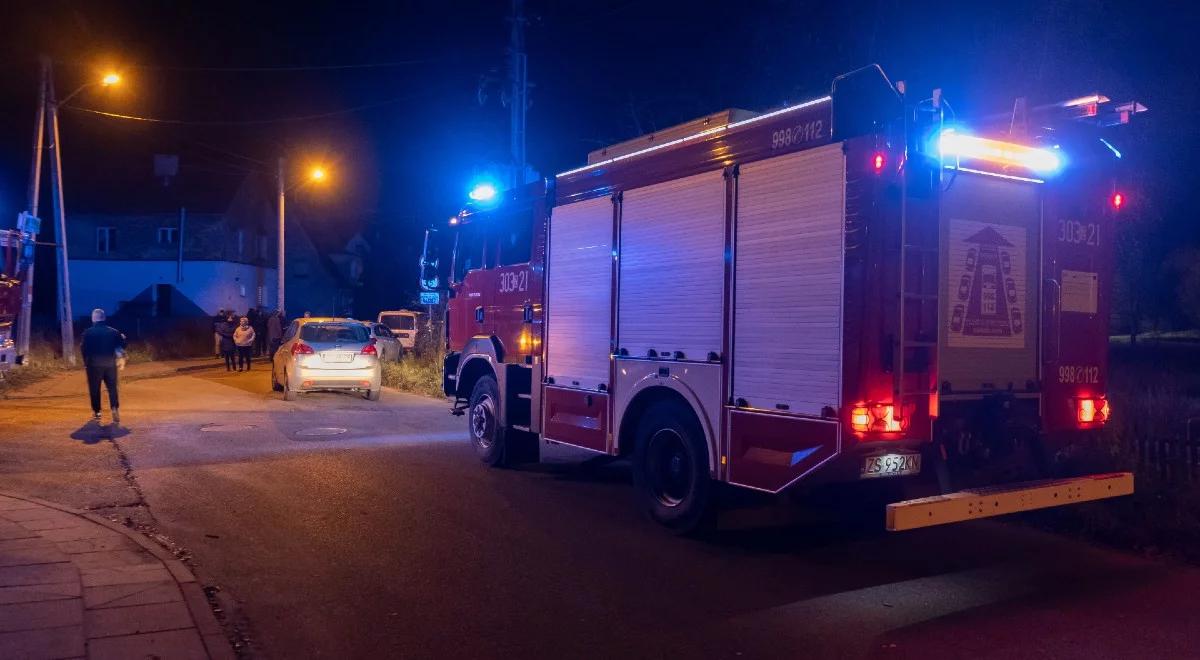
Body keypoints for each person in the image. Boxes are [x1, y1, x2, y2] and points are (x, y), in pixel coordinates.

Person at [80, 308, 125, 424]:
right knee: (112, 388)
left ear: (93, 319)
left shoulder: (87, 332)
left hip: (93, 365)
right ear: (104, 318)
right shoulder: (114, 332)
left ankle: (97, 412)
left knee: (95, 389)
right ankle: (114, 408)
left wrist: (86, 362)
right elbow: (121, 345)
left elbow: (84, 349)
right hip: (110, 363)